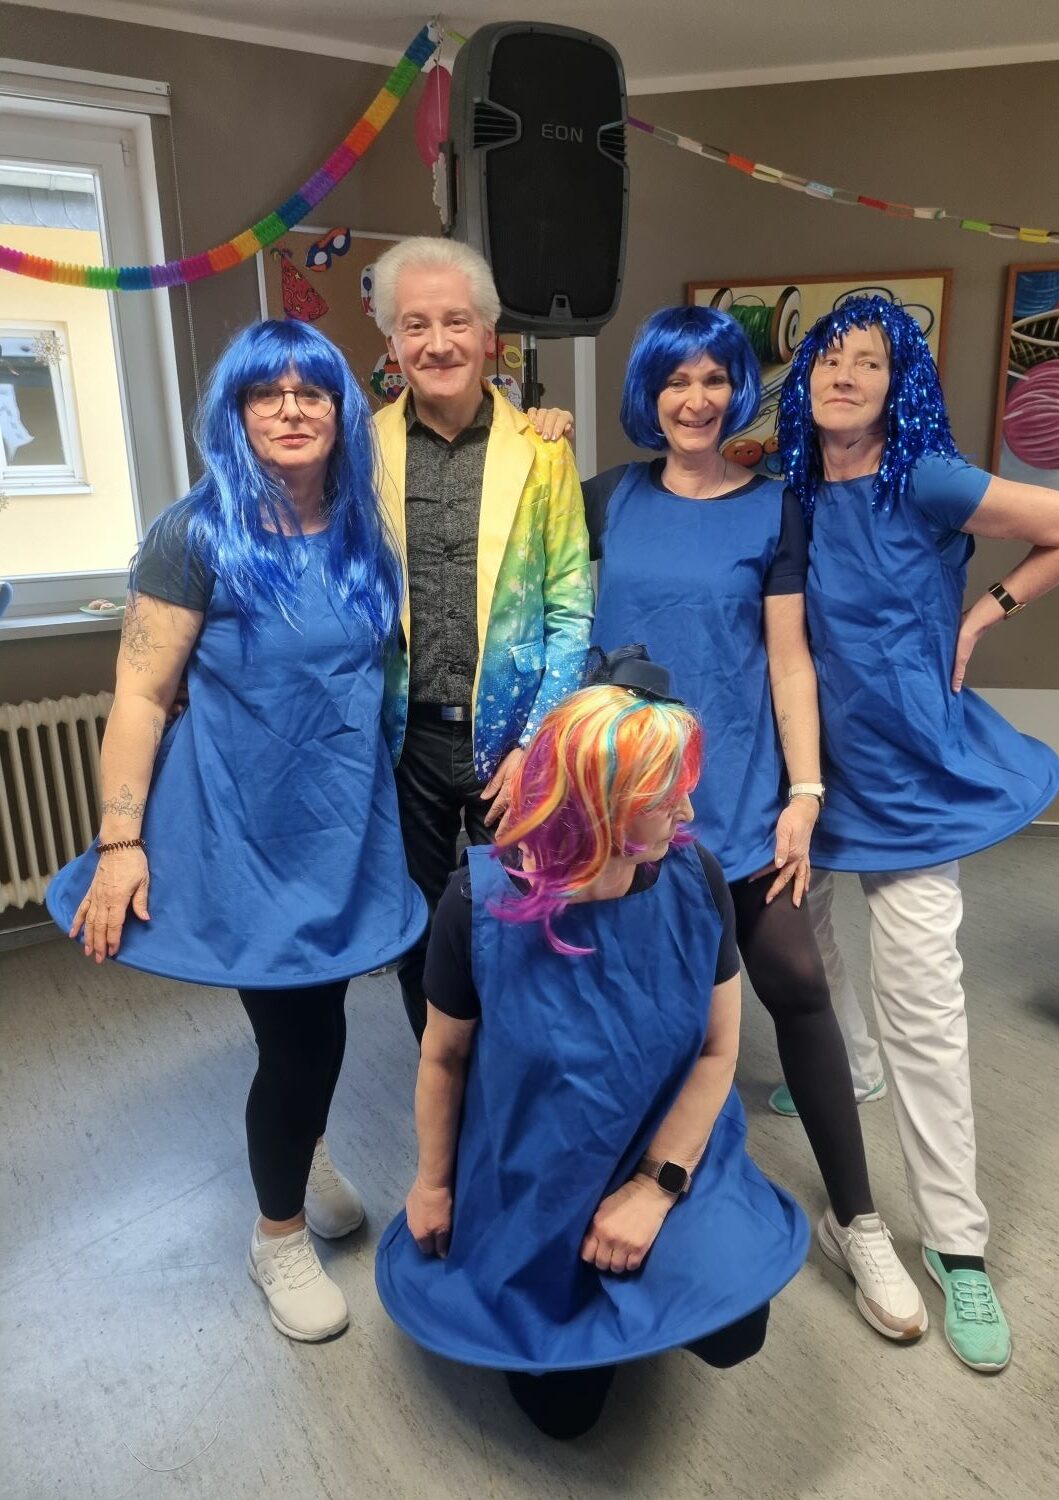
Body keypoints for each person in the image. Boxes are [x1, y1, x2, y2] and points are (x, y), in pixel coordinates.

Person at [47, 320, 427, 1343]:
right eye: (269, 393)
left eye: (313, 391)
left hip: (340, 823)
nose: (292, 409)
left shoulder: (362, 526)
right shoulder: (196, 533)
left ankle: (299, 1149)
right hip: (240, 830)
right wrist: (120, 845)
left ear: (341, 411)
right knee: (303, 1037)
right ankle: (277, 1236)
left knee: (313, 1017)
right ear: (238, 411)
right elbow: (139, 696)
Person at [775, 294, 1059, 1373]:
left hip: (912, 776)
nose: (844, 377)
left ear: (897, 383)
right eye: (828, 359)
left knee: (924, 1005)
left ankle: (958, 1247)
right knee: (809, 955)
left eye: (868, 362)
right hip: (810, 773)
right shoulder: (786, 481)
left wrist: (983, 611)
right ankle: (852, 1063)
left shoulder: (928, 477)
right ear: (804, 376)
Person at [583, 305, 925, 1342]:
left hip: (732, 799)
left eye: (714, 379)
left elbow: (788, 661)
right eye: (675, 381)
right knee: (634, 1012)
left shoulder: (775, 507)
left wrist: (805, 793)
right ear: (648, 393)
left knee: (799, 985)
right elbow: (547, 624)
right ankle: (631, 1195)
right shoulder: (602, 498)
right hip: (622, 811)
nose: (695, 400)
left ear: (739, 390)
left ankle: (856, 1221)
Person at [376, 655, 809, 1439]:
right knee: (564, 1418)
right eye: (662, 796)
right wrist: (432, 1184)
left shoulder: (695, 878)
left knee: (733, 1331)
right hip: (535, 1169)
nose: (687, 808)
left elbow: (718, 1053)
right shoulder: (474, 904)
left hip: (663, 1144)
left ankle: (650, 1269)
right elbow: (443, 1059)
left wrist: (654, 1187)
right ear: (596, 806)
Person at [369, 236, 593, 1045]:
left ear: (488, 335)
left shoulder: (541, 451)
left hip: (514, 747)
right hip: (405, 747)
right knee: (420, 935)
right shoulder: (359, 450)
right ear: (392, 342)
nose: (437, 343)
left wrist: (533, 746)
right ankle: (444, 1084)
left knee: (531, 924)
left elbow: (570, 613)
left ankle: (519, 1086)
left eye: (455, 322)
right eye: (415, 325)